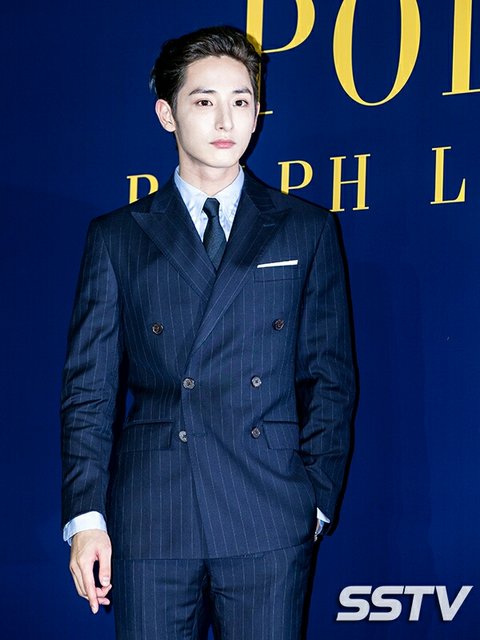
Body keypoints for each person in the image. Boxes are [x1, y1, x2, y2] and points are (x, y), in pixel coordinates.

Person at [61, 25, 355, 640]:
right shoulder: (117, 236)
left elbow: (329, 377)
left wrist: (315, 499)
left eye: (242, 101)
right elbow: (89, 391)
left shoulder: (305, 228)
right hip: (152, 515)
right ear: (167, 114)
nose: (226, 120)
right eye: (204, 100)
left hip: (268, 509)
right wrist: (86, 517)